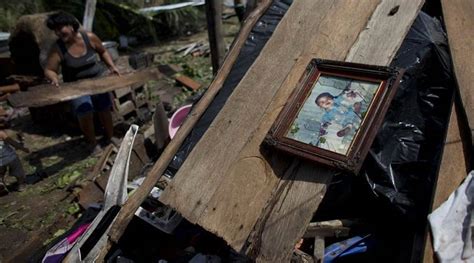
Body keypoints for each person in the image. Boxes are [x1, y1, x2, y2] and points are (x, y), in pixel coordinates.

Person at [44, 11, 120, 154]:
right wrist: (53, 77)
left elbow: (103, 51)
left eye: (61, 28)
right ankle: (92, 143)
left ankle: (110, 136)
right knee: (85, 111)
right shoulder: (58, 48)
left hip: (97, 79)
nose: (58, 33)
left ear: (71, 26)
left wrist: (111, 66)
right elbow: (49, 69)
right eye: (55, 30)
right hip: (76, 85)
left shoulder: (89, 37)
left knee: (104, 108)